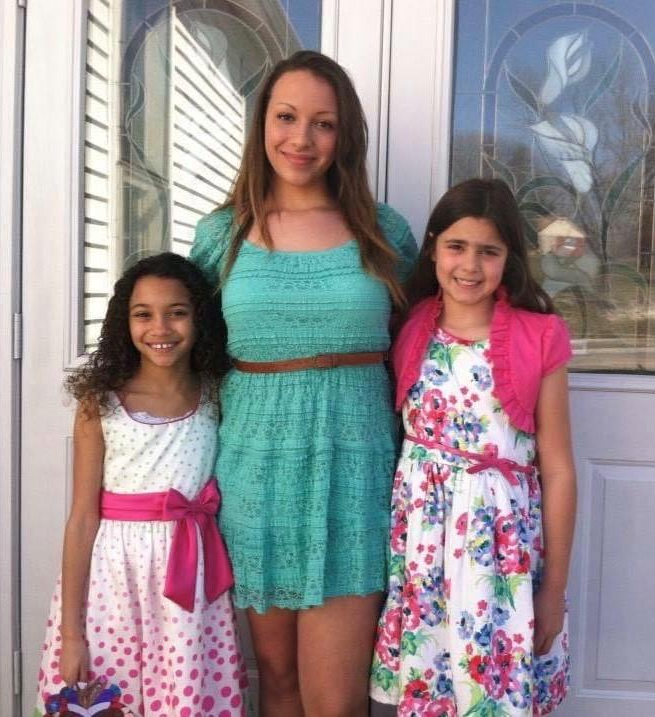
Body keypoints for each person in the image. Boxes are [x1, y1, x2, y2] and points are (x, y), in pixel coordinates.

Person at [190, 50, 417, 716]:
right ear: (261, 124)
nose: (301, 138)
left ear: (344, 135)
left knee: (335, 697)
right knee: (277, 679)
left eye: (323, 123)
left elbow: (429, 342)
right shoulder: (221, 234)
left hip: (353, 476)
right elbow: (184, 349)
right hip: (253, 478)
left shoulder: (384, 231)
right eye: (286, 117)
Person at [370, 178, 576, 716]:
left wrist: (553, 590)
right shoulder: (409, 326)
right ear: (434, 246)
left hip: (498, 555)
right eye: (456, 246)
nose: (470, 265)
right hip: (422, 550)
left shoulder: (539, 336)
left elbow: (557, 470)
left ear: (510, 259)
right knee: (432, 688)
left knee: (490, 691)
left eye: (489, 251)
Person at [34, 253, 247, 717]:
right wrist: (73, 634)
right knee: (112, 696)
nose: (161, 328)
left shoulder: (216, 394)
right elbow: (82, 517)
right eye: (143, 314)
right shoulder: (101, 401)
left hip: (188, 579)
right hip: (114, 582)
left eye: (177, 312)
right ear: (123, 322)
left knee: (184, 693)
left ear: (200, 318)